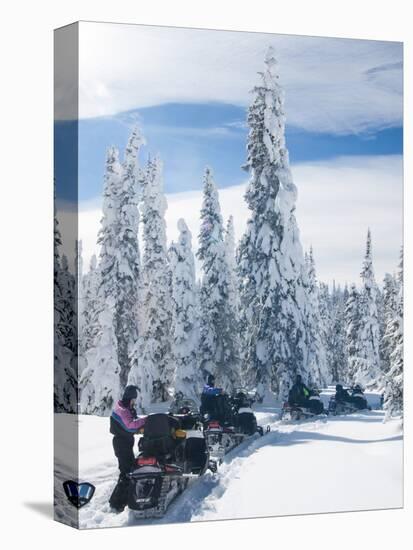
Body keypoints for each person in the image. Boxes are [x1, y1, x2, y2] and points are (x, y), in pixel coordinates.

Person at [109, 385, 146, 512]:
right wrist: (147, 420)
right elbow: (130, 426)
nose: (134, 402)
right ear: (130, 398)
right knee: (126, 473)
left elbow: (132, 423)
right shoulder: (122, 410)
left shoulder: (124, 407)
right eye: (133, 399)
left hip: (124, 443)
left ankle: (123, 500)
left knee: (129, 471)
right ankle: (116, 503)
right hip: (121, 444)